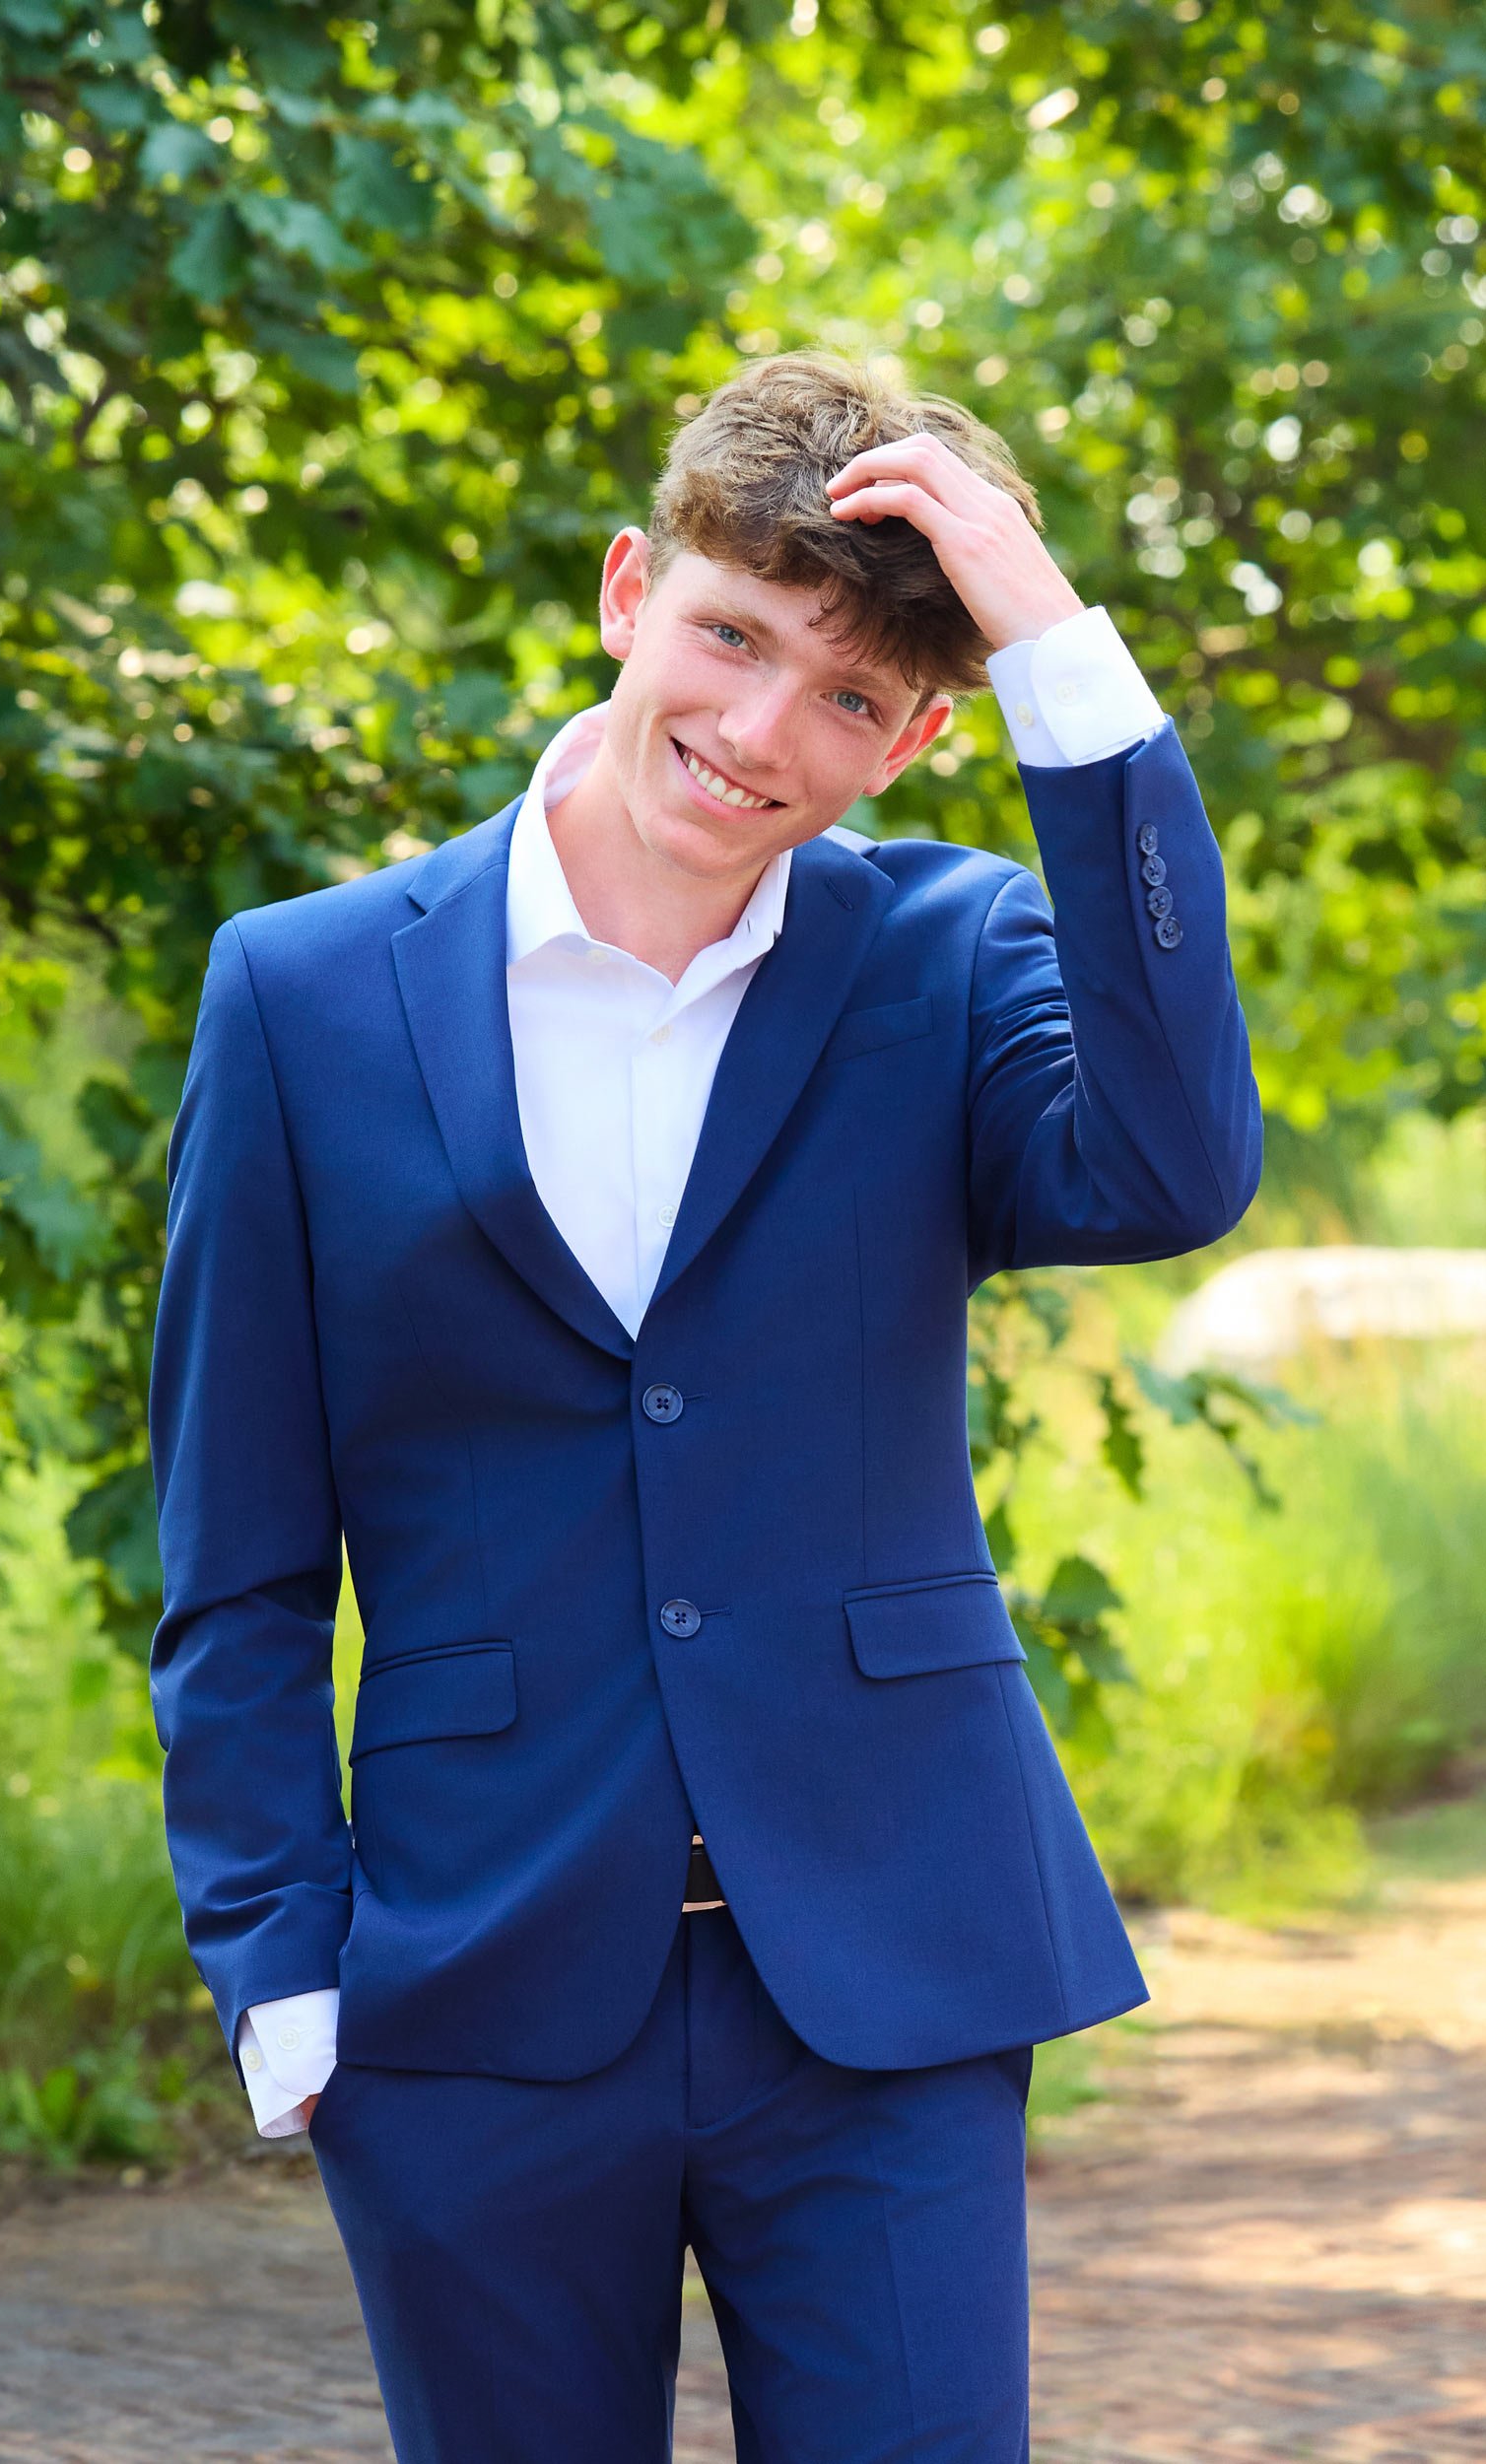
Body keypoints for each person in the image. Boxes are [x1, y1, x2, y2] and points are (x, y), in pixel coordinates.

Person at [149, 351, 1261, 2461]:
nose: (759, 731)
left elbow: (1175, 1161)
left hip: (892, 1975)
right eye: (731, 635)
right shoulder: (298, 996)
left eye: (851, 697)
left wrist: (1064, 653)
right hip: (473, 1997)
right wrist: (290, 1983)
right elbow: (239, 1558)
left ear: (924, 731)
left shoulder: (950, 957)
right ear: (625, 589)